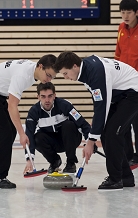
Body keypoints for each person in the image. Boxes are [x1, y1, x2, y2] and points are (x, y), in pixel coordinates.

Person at [54, 51, 138, 190]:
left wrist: (90, 141)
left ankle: (115, 179)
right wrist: (94, 133)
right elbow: (98, 104)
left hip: (133, 93)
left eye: (65, 73)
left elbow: (101, 108)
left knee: (112, 134)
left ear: (75, 66)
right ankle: (125, 177)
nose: (65, 77)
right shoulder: (86, 71)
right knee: (106, 132)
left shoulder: (95, 74)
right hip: (120, 95)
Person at [0, 55, 57, 189]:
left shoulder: (31, 71)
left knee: (9, 133)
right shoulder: (23, 76)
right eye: (48, 75)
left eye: (52, 77)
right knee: (3, 134)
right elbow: (12, 106)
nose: (49, 79)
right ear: (40, 66)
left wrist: (17, 132)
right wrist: (22, 134)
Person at [23, 82, 91, 175]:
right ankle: (54, 161)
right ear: (38, 97)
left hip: (70, 140)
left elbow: (83, 124)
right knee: (37, 138)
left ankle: (71, 163)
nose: (47, 100)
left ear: (54, 95)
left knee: (69, 125)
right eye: (43, 96)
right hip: (53, 143)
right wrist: (29, 159)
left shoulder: (65, 105)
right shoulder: (34, 112)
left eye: (50, 96)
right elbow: (29, 135)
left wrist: (90, 142)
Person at [115, 0, 138, 166]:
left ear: (136, 12)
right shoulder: (121, 29)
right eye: (123, 12)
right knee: (125, 120)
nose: (125, 16)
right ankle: (129, 155)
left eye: (128, 12)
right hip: (124, 82)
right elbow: (118, 53)